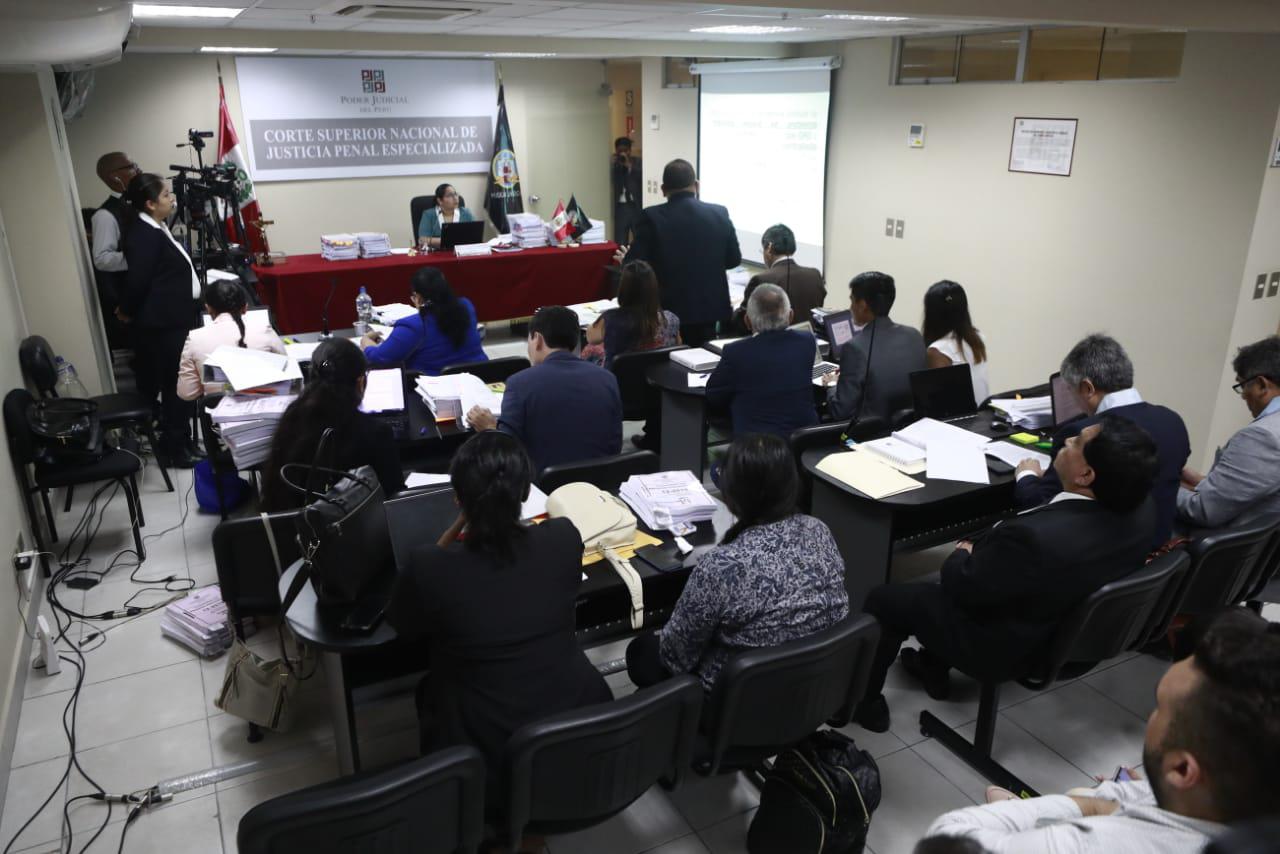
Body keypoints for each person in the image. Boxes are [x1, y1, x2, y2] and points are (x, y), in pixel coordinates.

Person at [854, 415, 1158, 733]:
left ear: (1086, 475)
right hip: (1065, 633)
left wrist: (960, 554)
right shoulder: (1142, 512)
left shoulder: (1036, 539)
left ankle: (866, 703)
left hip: (1003, 648)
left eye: (1077, 442)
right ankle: (932, 665)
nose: (1066, 441)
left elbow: (964, 587)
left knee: (885, 598)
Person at [922, 607, 1280, 853]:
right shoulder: (1231, 804)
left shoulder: (1089, 846)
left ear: (1183, 770)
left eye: (1160, 708)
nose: (1152, 717)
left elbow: (947, 837)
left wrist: (1090, 806)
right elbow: (1139, 796)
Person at [386, 431, 611, 796]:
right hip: (573, 719)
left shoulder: (431, 566)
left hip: (483, 745)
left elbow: (402, 623)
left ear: (458, 498)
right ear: (524, 493)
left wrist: (462, 518)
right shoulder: (563, 538)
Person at [625, 433, 849, 691]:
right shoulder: (818, 531)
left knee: (642, 653)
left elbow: (674, 658)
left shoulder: (721, 567)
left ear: (731, 495)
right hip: (814, 688)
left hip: (735, 709)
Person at [1015, 334, 1190, 550]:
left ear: (1087, 388)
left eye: (1071, 390)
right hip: (1159, 557)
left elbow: (1040, 507)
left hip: (1098, 558)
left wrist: (1027, 475)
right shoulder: (1172, 421)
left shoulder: (1083, 434)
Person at [467, 306, 622, 474]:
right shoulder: (607, 379)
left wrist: (489, 428)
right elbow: (614, 445)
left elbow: (507, 456)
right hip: (600, 484)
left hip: (543, 490)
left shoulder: (520, 384)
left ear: (538, 339)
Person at [260, 338, 404, 510]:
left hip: (295, 526)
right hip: (358, 529)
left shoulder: (291, 418)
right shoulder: (376, 432)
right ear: (360, 383)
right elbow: (395, 497)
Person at [119, 172, 202, 468]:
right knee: (174, 385)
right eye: (166, 195)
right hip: (161, 324)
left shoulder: (156, 226)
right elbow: (138, 281)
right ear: (151, 203)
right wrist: (126, 309)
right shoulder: (143, 233)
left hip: (174, 318)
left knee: (179, 384)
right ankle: (174, 447)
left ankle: (184, 440)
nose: (172, 199)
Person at [621, 159, 742, 347]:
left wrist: (626, 260)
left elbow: (637, 266)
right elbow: (734, 259)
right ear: (696, 186)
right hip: (711, 309)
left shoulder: (651, 217)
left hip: (669, 311)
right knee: (705, 363)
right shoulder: (719, 213)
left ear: (663, 189)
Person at [1178, 336, 1280, 531]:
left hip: (1223, 554)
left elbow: (1203, 510)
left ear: (1261, 385)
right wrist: (1205, 483)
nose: (1242, 395)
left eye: (1242, 386)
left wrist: (1159, 485)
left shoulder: (1263, 436)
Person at [706, 283, 818, 438]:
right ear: (791, 316)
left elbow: (714, 396)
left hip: (757, 451)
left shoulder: (736, 352)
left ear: (747, 321)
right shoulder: (807, 341)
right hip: (803, 442)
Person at [825, 271, 926, 423]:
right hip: (909, 426)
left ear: (863, 305)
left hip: (867, 436)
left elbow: (840, 410)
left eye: (852, 301)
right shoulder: (914, 335)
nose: (850, 307)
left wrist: (832, 384)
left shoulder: (855, 348)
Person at [359, 267, 486, 375]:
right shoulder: (466, 306)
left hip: (435, 387)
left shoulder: (413, 326)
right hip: (479, 376)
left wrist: (366, 342)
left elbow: (380, 359)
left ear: (418, 298)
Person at [177, 280, 286, 400]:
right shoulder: (264, 329)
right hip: (267, 411)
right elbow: (286, 371)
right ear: (245, 308)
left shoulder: (195, 338)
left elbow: (186, 393)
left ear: (208, 309)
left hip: (218, 414)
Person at [728, 224, 826, 337]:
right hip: (806, 344)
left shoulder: (761, 280)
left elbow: (743, 321)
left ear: (769, 248)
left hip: (768, 347)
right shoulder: (814, 275)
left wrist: (732, 310)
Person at [582, 260, 680, 368]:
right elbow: (677, 345)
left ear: (623, 288)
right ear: (653, 287)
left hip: (618, 380)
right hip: (655, 379)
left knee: (590, 349)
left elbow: (590, 337)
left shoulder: (611, 320)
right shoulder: (670, 319)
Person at [90, 151, 141, 350]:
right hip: (131, 298)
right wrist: (139, 258)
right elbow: (102, 259)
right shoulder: (104, 215)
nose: (138, 169)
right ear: (114, 176)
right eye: (131, 166)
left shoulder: (136, 204)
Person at [922, 280, 989, 407]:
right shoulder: (977, 337)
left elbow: (941, 402)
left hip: (959, 422)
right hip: (983, 415)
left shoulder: (938, 350)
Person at [416, 183, 475, 249]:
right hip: (437, 254)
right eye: (450, 195)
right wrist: (450, 241)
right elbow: (422, 240)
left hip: (462, 253)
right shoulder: (429, 215)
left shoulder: (466, 213)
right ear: (440, 201)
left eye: (455, 194)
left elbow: (475, 235)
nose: (455, 198)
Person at [610, 136, 643, 244]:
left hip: (636, 205)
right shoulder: (614, 163)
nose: (623, 153)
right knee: (620, 240)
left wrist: (629, 166)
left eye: (625, 150)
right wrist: (615, 164)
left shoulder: (638, 162)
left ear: (630, 150)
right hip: (621, 207)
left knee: (639, 238)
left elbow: (641, 178)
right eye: (620, 151)